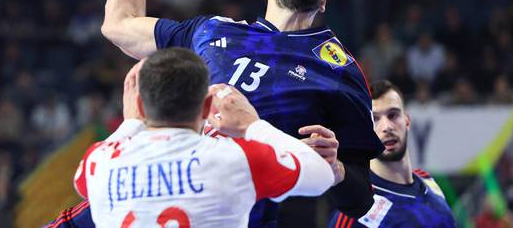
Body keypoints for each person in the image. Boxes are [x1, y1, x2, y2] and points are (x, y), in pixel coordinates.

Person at [47, 0, 383, 228]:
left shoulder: (338, 70)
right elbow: (119, 24)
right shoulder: (212, 31)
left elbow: (360, 200)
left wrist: (336, 168)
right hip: (153, 182)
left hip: (234, 210)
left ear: (323, 1)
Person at [73, 48, 334, 228]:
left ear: (140, 106)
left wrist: (130, 124)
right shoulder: (238, 158)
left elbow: (81, 183)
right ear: (208, 105)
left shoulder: (100, 161)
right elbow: (322, 175)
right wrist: (253, 126)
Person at [327, 80, 456, 228]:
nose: (387, 127)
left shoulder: (428, 180)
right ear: (364, 130)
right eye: (374, 119)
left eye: (393, 115)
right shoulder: (358, 208)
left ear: (407, 121)